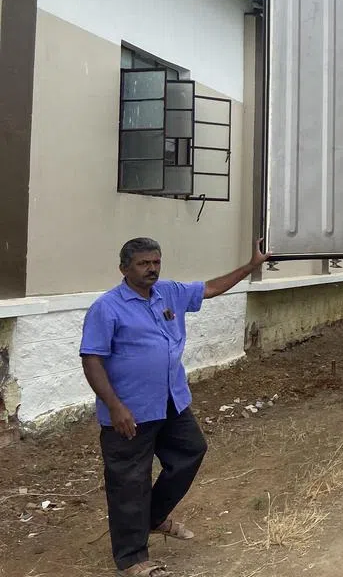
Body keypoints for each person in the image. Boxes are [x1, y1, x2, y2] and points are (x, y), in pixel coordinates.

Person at [80, 237, 270, 577]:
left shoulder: (169, 292)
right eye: (143, 263)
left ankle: (152, 518)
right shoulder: (107, 308)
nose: (151, 268)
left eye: (155, 262)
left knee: (191, 452)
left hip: (170, 402)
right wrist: (114, 406)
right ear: (124, 268)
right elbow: (92, 359)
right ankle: (132, 560)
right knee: (129, 483)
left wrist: (252, 266)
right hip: (130, 412)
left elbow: (211, 288)